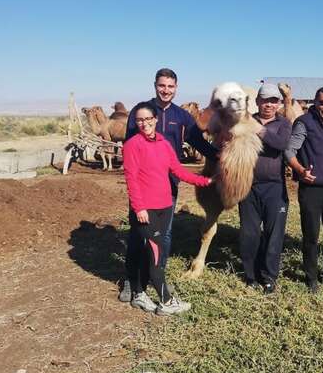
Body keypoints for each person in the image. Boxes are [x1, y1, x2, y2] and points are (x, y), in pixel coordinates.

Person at [119, 68, 217, 302]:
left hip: (168, 185)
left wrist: (221, 156)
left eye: (170, 86)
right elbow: (130, 146)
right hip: (143, 187)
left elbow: (198, 143)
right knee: (138, 234)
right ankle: (132, 281)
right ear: (155, 85)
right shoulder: (141, 111)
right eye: (162, 85)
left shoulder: (182, 117)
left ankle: (156, 276)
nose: (166, 90)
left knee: (164, 235)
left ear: (176, 88)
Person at [285, 86, 323, 293]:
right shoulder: (304, 123)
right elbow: (289, 151)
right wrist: (301, 170)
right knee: (311, 234)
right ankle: (311, 277)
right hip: (312, 188)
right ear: (315, 102)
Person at [238, 83, 292, 294]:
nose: (268, 104)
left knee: (273, 234)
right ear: (257, 101)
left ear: (278, 103)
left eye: (273, 100)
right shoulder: (245, 121)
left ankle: (269, 277)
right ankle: (250, 275)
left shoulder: (284, 123)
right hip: (248, 185)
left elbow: (281, 144)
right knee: (249, 233)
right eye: (264, 100)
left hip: (274, 187)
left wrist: (259, 129)